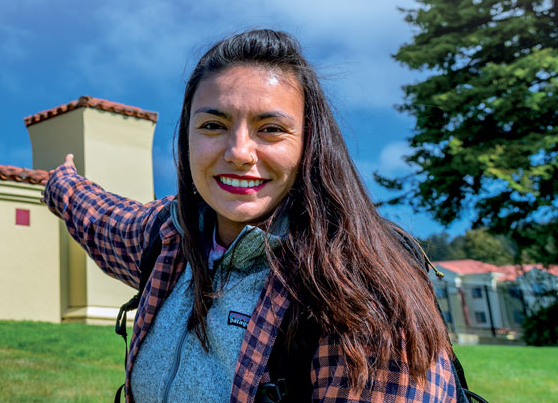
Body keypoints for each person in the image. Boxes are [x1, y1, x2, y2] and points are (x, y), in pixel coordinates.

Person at [43, 29, 459, 402]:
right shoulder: (170, 239)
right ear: (186, 138)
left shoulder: (359, 290)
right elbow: (102, 220)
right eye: (212, 125)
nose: (239, 152)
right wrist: (60, 183)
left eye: (271, 129)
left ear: (309, 145)